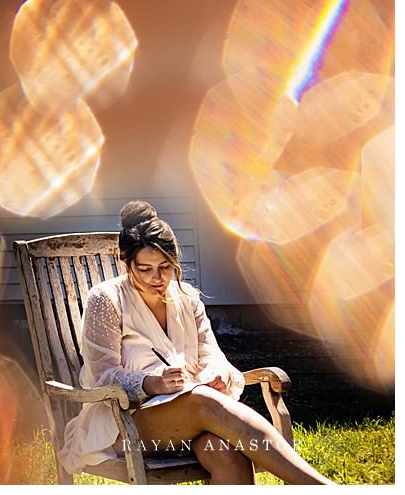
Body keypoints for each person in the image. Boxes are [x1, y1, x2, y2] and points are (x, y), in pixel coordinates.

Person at [58, 201, 334, 485]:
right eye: (145, 269)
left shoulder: (187, 297)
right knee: (205, 402)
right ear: (126, 263)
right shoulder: (106, 299)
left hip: (192, 415)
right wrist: (151, 383)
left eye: (165, 267)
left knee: (230, 456)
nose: (157, 278)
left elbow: (212, 354)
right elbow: (102, 376)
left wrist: (216, 375)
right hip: (125, 425)